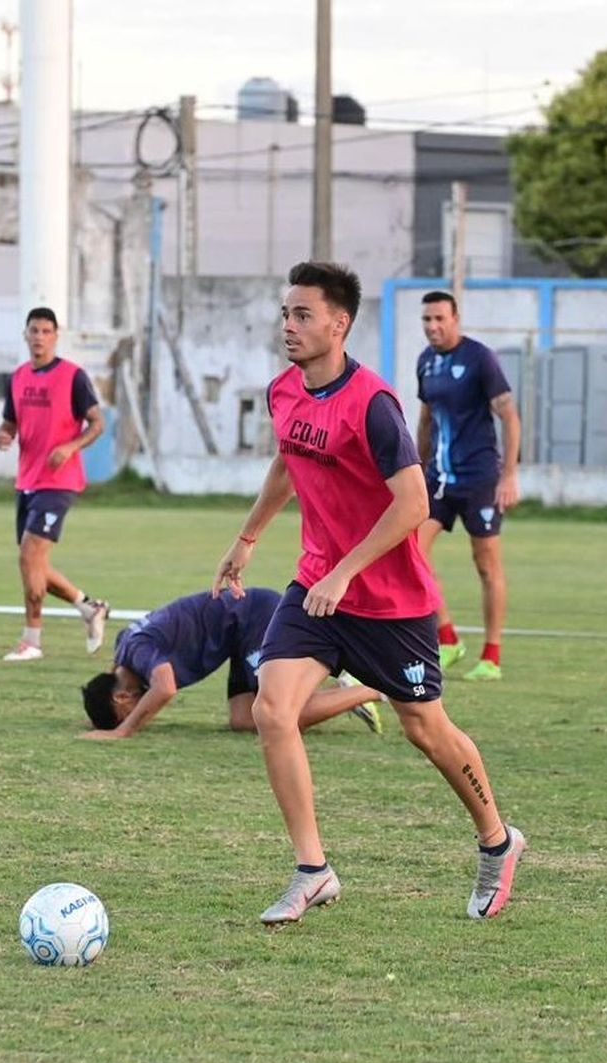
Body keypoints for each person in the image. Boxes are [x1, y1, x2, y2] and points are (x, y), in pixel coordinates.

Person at [213, 261, 525, 925]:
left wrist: (346, 570)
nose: (290, 326)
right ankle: (312, 867)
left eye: (303, 315)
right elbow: (286, 463)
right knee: (273, 710)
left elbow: (413, 503)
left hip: (389, 601)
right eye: (285, 314)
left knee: (426, 729)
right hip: (316, 586)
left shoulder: (374, 404)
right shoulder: (283, 393)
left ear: (339, 323)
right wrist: (247, 540)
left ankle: (499, 840)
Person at [77, 587, 385, 739]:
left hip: (254, 618)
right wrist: (99, 713)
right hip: (237, 636)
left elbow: (165, 687)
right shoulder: (124, 651)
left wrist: (123, 731)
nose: (136, 714)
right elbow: (108, 681)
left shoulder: (139, 650)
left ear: (121, 697)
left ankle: (374, 688)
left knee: (278, 716)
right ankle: (350, 689)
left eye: (124, 713)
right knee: (244, 721)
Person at [0, 306, 110, 662]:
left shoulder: (73, 376)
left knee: (29, 556)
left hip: (58, 482)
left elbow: (97, 423)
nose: (39, 337)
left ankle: (32, 640)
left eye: (46, 331)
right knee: (34, 565)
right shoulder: (18, 378)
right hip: (27, 479)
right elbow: (10, 423)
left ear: (56, 336)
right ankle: (89, 607)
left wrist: (71, 447)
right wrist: (2, 434)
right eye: (34, 330)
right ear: (25, 335)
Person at [414, 291, 521, 682]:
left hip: (479, 479)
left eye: (440, 318)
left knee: (486, 565)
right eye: (426, 320)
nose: (432, 327)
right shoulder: (426, 362)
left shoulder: (480, 359)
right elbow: (426, 421)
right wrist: (415, 470)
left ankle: (491, 656)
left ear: (456, 318)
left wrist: (509, 474)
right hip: (439, 479)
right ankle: (447, 638)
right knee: (412, 551)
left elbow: (509, 416)